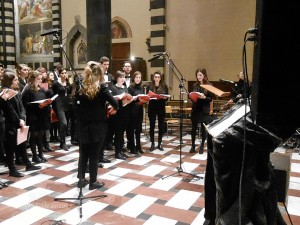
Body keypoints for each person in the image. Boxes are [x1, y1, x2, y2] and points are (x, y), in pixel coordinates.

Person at [75, 61, 118, 190]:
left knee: (83, 153)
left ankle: (81, 179)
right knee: (94, 155)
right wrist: (110, 107)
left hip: (83, 125)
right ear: (99, 74)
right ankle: (93, 182)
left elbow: (76, 106)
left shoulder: (81, 88)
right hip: (98, 126)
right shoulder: (102, 88)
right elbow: (115, 103)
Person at [1, 68, 41, 177]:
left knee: (22, 144)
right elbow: (9, 110)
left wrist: (23, 118)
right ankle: (12, 169)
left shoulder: (16, 91)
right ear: (9, 81)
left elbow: (21, 107)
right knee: (10, 148)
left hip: (20, 122)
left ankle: (28, 164)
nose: (17, 81)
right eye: (14, 80)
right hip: (10, 123)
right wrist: (18, 120)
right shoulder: (4, 93)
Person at [22, 70, 53, 163]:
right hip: (33, 116)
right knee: (34, 136)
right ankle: (34, 156)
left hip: (42, 115)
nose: (40, 80)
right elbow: (25, 104)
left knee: (41, 135)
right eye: (38, 79)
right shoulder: (28, 89)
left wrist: (47, 102)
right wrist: (37, 105)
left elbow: (45, 98)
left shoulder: (41, 88)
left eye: (40, 79)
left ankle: (40, 154)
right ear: (32, 79)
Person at [189, 68, 214, 154]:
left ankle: (202, 145)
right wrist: (193, 97)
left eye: (200, 75)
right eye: (197, 75)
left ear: (204, 75)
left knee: (203, 129)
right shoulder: (195, 85)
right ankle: (192, 145)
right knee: (193, 129)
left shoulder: (209, 85)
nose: (199, 77)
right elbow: (192, 97)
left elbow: (211, 99)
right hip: (196, 109)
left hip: (204, 109)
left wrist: (204, 97)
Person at [109, 70, 132, 160]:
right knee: (118, 133)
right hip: (117, 113)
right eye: (121, 77)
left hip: (125, 112)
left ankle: (121, 150)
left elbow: (126, 98)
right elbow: (113, 100)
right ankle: (117, 152)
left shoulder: (124, 87)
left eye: (124, 77)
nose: (123, 79)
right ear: (117, 78)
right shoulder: (113, 88)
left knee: (122, 133)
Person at [146, 70, 169, 151]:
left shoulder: (164, 86)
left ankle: (159, 143)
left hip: (161, 107)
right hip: (152, 107)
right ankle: (152, 143)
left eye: (158, 77)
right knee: (152, 126)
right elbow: (147, 97)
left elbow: (167, 97)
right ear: (153, 77)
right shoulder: (149, 86)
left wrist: (165, 98)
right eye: (155, 77)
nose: (157, 78)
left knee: (161, 126)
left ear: (160, 78)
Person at [128, 71, 149, 154]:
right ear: (134, 78)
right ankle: (132, 147)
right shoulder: (130, 88)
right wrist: (136, 98)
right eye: (136, 77)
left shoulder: (141, 88)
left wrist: (145, 100)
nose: (138, 79)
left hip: (139, 110)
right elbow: (129, 100)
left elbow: (143, 99)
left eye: (139, 78)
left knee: (138, 130)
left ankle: (139, 146)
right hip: (132, 111)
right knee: (131, 130)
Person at [52, 67, 71, 151]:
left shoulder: (67, 82)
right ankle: (62, 142)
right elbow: (52, 94)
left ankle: (62, 142)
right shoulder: (56, 83)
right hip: (58, 104)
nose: (64, 74)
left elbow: (69, 93)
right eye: (62, 73)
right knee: (63, 123)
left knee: (65, 124)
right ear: (59, 74)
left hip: (67, 103)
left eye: (65, 73)